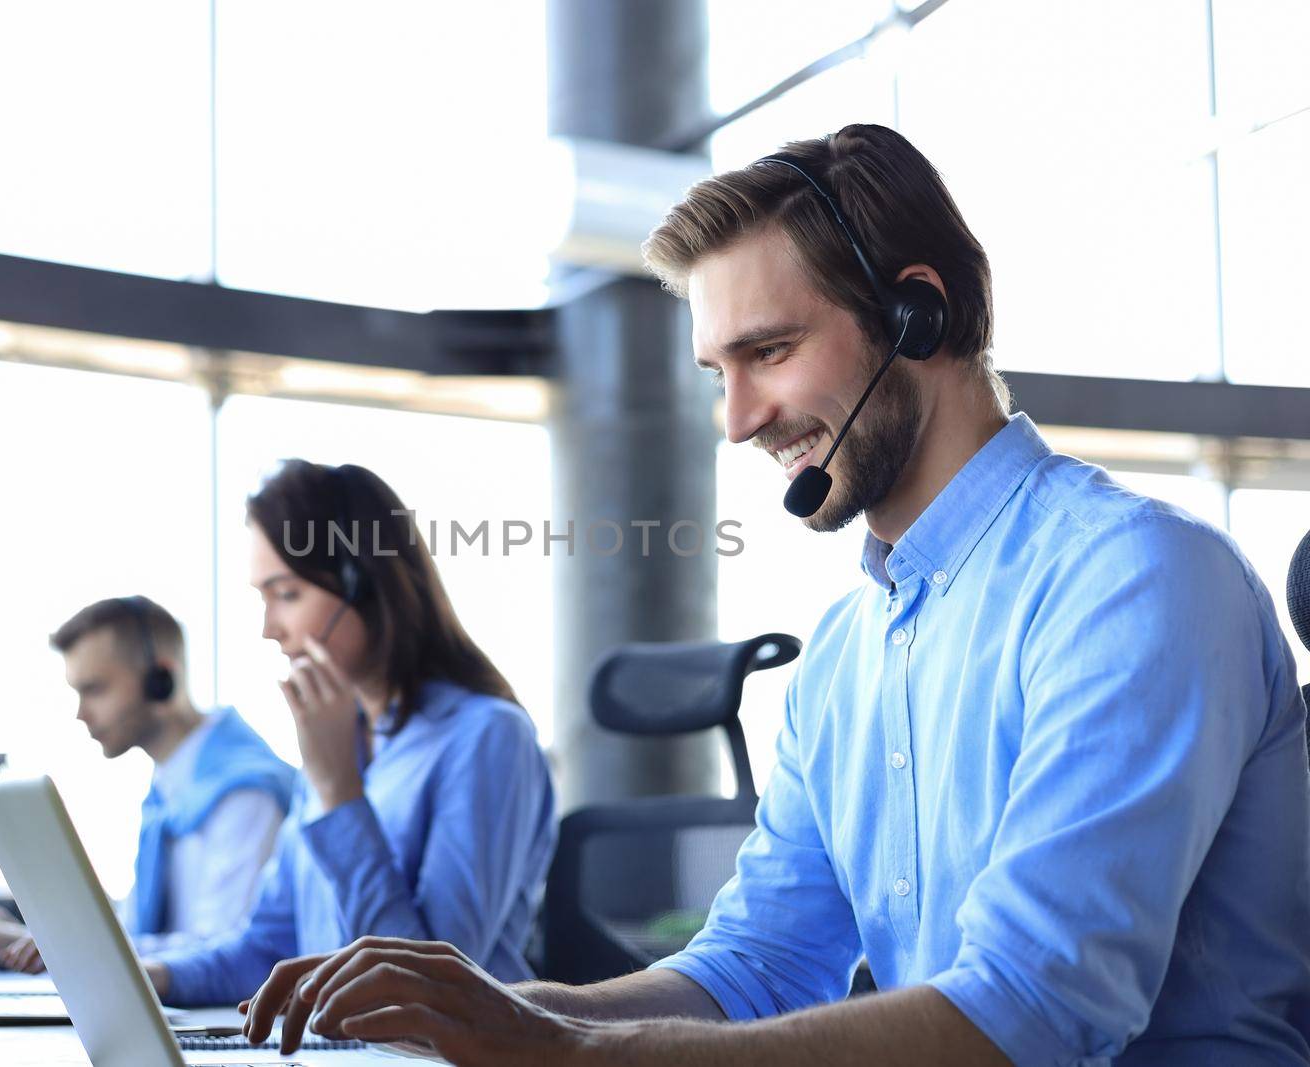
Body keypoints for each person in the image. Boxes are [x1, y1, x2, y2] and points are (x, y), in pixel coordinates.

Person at [239, 125, 1310, 1065]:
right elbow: (754, 965)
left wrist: (572, 1050)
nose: (737, 419)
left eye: (769, 351)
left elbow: (1028, 1013)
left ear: (917, 317)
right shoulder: (847, 648)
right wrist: (492, 1015)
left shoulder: (1132, 580)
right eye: (718, 371)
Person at [134, 460, 557, 1008]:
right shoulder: (338, 739)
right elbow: (267, 951)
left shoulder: (487, 738)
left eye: (286, 594)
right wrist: (148, 976)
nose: (269, 628)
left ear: (362, 584)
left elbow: (430, 986)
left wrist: (339, 793)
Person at [0, 595, 295, 961]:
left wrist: (55, 946)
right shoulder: (169, 791)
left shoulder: (244, 794)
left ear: (160, 679)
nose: (81, 713)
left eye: (94, 689)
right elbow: (141, 936)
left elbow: (221, 956)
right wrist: (34, 939)